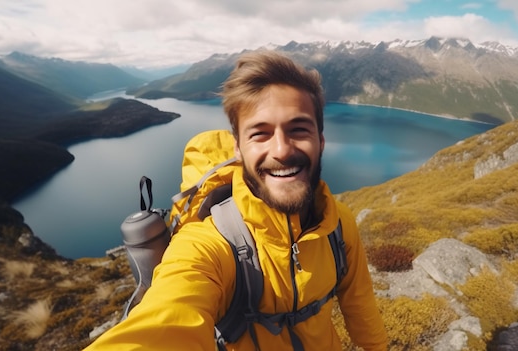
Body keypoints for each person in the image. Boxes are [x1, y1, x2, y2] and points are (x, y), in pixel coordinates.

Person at [84, 51, 388, 350]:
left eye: (299, 129)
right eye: (260, 134)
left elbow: (359, 301)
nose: (281, 150)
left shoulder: (337, 224)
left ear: (320, 141)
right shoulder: (209, 243)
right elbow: (164, 322)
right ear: (238, 150)